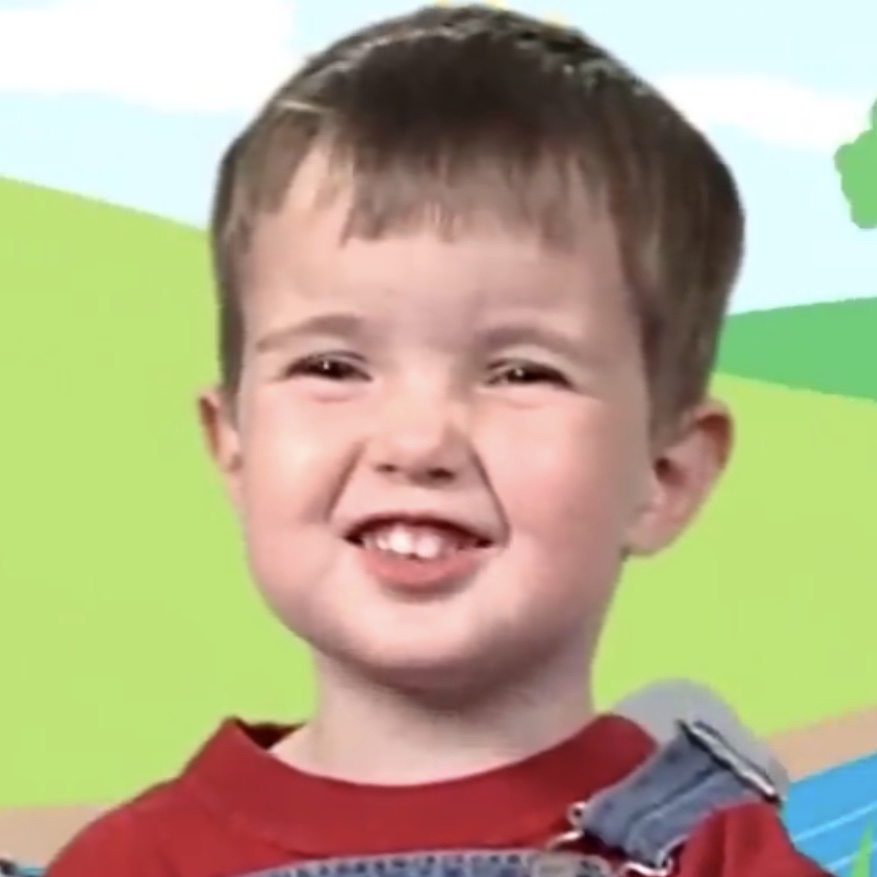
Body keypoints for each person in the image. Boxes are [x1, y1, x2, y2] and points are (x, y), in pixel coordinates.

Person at [45, 5, 830, 876]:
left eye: (521, 372)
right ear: (234, 441)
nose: (417, 441)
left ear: (664, 473)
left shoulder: (721, 857)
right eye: (333, 365)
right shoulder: (130, 862)